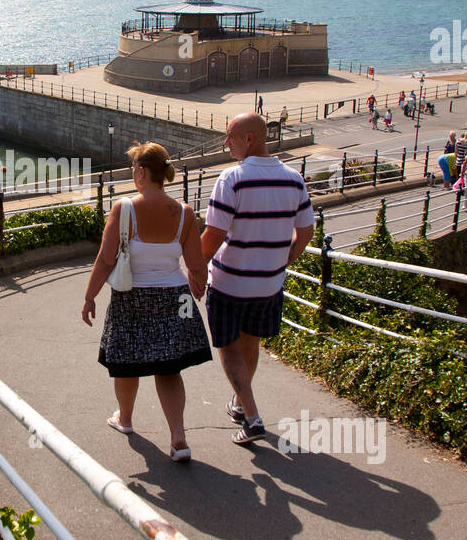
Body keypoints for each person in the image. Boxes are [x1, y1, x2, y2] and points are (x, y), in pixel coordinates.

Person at [82, 142, 211, 462]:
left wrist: (90, 296)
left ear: (141, 171)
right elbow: (196, 265)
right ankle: (179, 438)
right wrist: (199, 285)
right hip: (176, 298)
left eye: (133, 169)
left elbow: (105, 260)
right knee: (169, 368)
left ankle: (124, 419)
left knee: (126, 362)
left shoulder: (123, 209)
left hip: (132, 298)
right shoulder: (184, 213)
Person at [201, 114, 315, 444]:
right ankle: (240, 402)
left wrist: (194, 272)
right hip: (269, 284)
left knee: (227, 347)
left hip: (229, 283)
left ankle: (251, 417)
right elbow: (306, 230)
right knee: (251, 343)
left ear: (250, 139)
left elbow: (213, 235)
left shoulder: (231, 178)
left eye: (230, 137)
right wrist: (286, 259)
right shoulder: (294, 179)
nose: (226, 143)